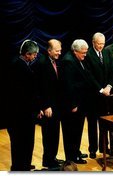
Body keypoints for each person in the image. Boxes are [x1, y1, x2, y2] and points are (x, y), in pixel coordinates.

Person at [61, 39, 109, 164]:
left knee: (78, 130)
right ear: (75, 51)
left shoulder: (78, 59)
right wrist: (73, 104)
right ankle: (72, 157)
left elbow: (87, 75)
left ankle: (76, 152)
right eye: (83, 53)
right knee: (72, 132)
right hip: (74, 105)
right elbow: (68, 86)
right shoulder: (68, 61)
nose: (85, 55)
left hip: (81, 102)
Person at [7, 39, 41, 171]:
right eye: (33, 55)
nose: (35, 57)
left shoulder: (16, 63)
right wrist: (36, 108)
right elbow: (27, 94)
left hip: (19, 114)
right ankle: (20, 167)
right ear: (27, 54)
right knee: (22, 142)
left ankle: (23, 164)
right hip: (22, 115)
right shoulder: (21, 68)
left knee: (21, 143)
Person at [32, 39, 64, 168]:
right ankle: (48, 161)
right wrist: (45, 106)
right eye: (57, 51)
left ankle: (52, 158)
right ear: (49, 51)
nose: (59, 53)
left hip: (56, 106)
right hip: (48, 107)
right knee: (49, 135)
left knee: (55, 134)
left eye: (60, 50)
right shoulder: (42, 63)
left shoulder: (54, 62)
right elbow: (39, 88)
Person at [84, 32, 113, 158]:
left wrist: (109, 86)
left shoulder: (106, 52)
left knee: (104, 123)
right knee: (92, 124)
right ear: (93, 42)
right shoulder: (88, 55)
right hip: (92, 97)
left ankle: (104, 146)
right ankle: (93, 149)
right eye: (98, 44)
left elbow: (112, 71)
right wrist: (101, 89)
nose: (101, 46)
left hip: (106, 97)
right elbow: (89, 76)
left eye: (103, 43)